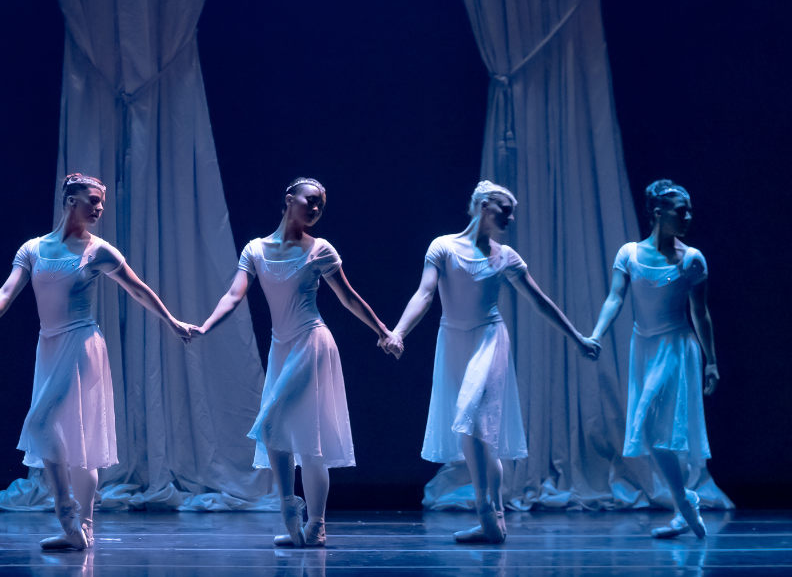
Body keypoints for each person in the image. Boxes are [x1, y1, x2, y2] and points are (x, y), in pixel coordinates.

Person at [0, 174, 195, 552]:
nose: (100, 207)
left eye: (102, 201)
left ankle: (68, 514)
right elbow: (5, 293)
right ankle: (81, 532)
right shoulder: (33, 249)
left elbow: (137, 288)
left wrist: (172, 321)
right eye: (93, 200)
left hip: (82, 344)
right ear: (71, 201)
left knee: (44, 425)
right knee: (74, 441)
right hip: (49, 347)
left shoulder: (99, 250)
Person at [384, 181, 601, 544]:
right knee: (478, 433)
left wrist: (577, 337)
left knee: (470, 415)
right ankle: (495, 521)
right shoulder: (443, 246)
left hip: (489, 339)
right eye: (506, 210)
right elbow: (425, 293)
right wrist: (399, 332)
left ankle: (486, 511)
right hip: (454, 342)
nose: (510, 218)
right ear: (485, 206)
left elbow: (540, 301)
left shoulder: (506, 256)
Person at [194, 178, 397, 548]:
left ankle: (298, 512)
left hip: (312, 342)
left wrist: (383, 331)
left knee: (275, 424)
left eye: (321, 205)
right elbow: (234, 295)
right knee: (298, 436)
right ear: (289, 199)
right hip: (281, 348)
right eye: (311, 200)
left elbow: (349, 298)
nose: (316, 208)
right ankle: (311, 525)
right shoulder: (255, 249)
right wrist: (206, 325)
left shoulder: (320, 250)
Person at [589, 179, 717, 540]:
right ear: (658, 212)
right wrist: (596, 334)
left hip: (676, 346)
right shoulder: (629, 254)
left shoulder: (692, 259)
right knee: (659, 433)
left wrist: (711, 361)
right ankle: (682, 506)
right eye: (681, 211)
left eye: (689, 211)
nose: (688, 217)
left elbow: (700, 313)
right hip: (643, 347)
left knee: (649, 425)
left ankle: (684, 501)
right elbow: (615, 297)